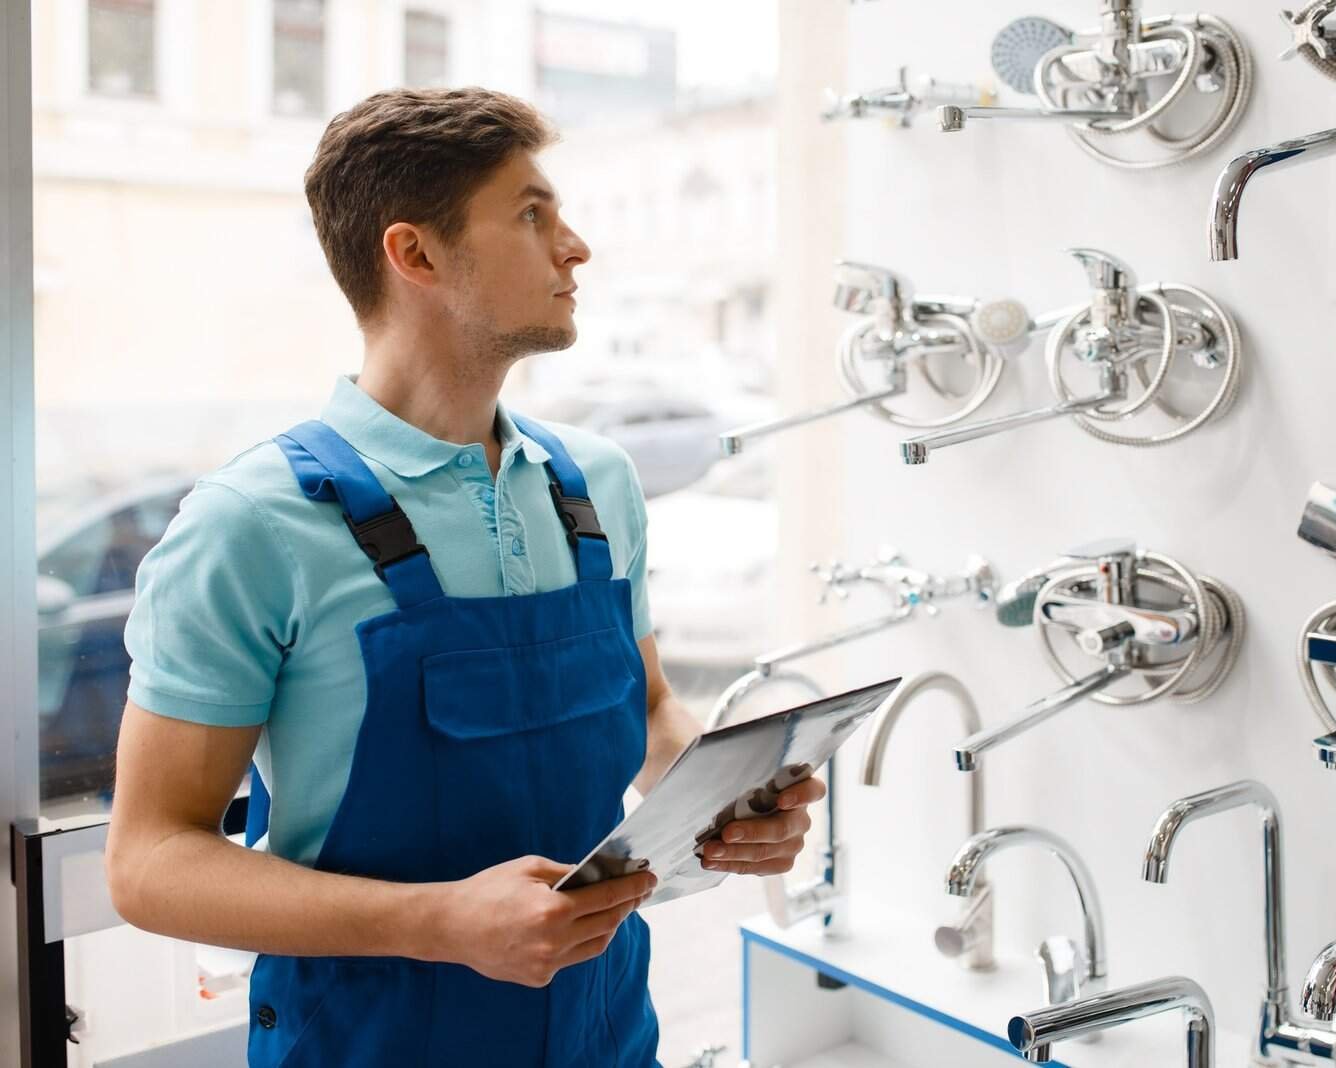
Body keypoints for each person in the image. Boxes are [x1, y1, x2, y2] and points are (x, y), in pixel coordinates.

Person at [104, 86, 823, 1068]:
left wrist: (722, 794)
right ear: (415, 255)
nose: (575, 247)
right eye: (532, 214)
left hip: (608, 1037)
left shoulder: (597, 486)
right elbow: (149, 864)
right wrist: (437, 923)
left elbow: (650, 711)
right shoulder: (251, 525)